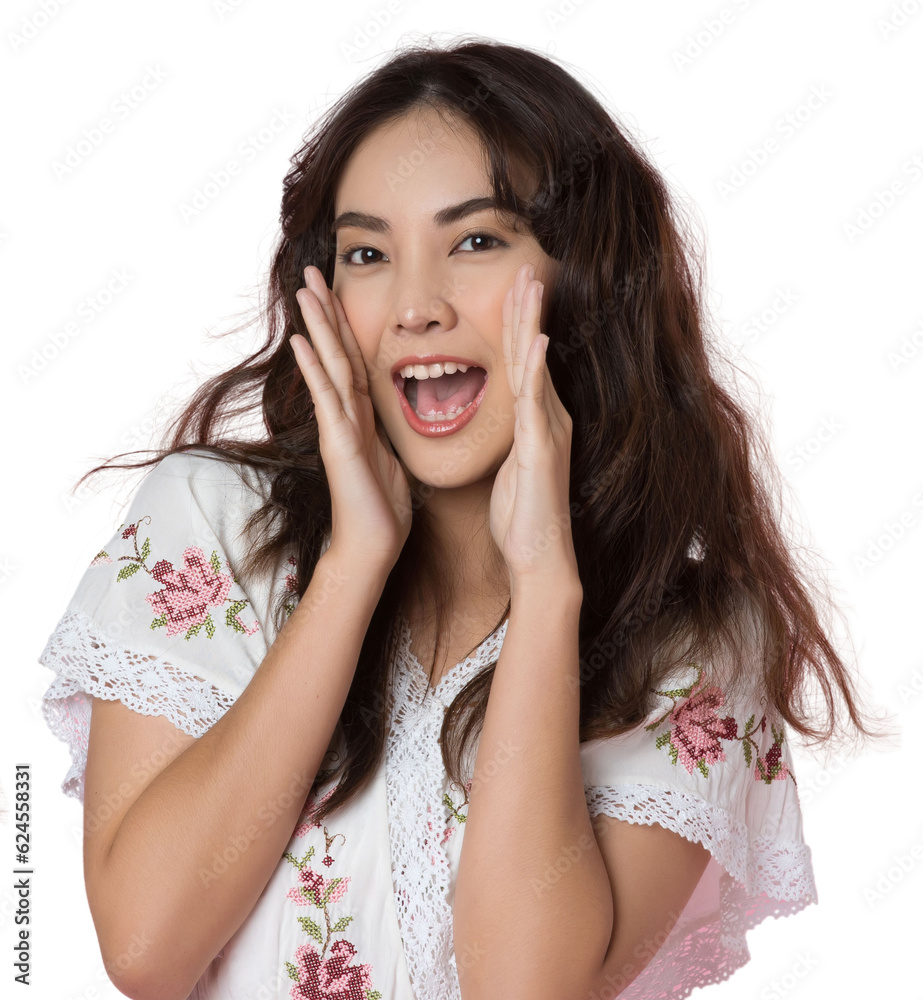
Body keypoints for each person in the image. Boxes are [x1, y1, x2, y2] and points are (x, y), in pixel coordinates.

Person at [38, 37, 886, 1000]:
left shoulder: (692, 641)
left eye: (475, 241)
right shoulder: (217, 528)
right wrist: (353, 566)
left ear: (587, 280)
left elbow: (524, 991)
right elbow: (147, 948)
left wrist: (545, 588)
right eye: (366, 254)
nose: (415, 306)